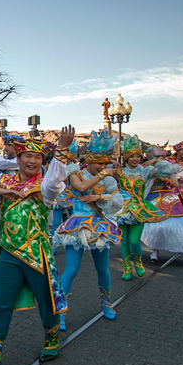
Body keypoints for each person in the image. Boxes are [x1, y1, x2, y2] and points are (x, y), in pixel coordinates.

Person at [0, 128, 76, 365]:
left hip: (37, 252)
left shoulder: (44, 186)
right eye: (27, 156)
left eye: (37, 158)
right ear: (17, 159)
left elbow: (54, 182)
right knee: (1, 303)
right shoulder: (4, 181)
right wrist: (0, 190)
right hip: (8, 252)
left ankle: (51, 338)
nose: (32, 161)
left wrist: (60, 152)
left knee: (46, 300)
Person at [54, 129, 123, 330]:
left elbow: (118, 201)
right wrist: (103, 174)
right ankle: (61, 312)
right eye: (98, 163)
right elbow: (81, 187)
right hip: (77, 225)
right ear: (89, 160)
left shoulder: (109, 180)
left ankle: (106, 303)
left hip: (100, 226)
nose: (102, 166)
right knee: (71, 269)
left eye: (105, 163)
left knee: (102, 268)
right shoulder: (76, 172)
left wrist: (100, 197)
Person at [141, 141, 183, 262]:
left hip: (177, 196)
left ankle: (177, 244)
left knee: (177, 223)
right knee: (156, 225)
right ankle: (154, 251)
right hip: (156, 196)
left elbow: (177, 180)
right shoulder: (161, 164)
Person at [115, 136, 164, 280]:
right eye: (132, 156)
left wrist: (155, 160)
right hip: (122, 210)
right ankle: (127, 268)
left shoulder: (145, 172)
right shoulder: (119, 172)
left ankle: (138, 261)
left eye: (138, 156)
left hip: (139, 209)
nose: (135, 159)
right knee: (124, 241)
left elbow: (164, 170)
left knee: (134, 241)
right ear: (126, 157)